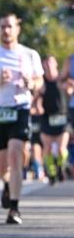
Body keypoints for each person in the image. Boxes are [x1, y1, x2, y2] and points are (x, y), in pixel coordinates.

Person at [0, 13, 43, 225]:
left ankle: (14, 207)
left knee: (15, 155)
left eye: (9, 27)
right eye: (2, 27)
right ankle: (7, 185)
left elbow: (40, 81)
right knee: (2, 166)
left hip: (19, 108)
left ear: (17, 29)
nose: (6, 31)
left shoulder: (30, 54)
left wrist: (30, 83)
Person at [39, 55, 69, 184]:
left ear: (56, 64)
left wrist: (69, 89)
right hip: (47, 118)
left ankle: (60, 167)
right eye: (46, 63)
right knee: (48, 148)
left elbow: (70, 91)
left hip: (62, 117)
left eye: (51, 63)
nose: (49, 66)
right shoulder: (41, 82)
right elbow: (36, 98)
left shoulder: (62, 79)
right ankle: (51, 173)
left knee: (62, 149)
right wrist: (37, 106)